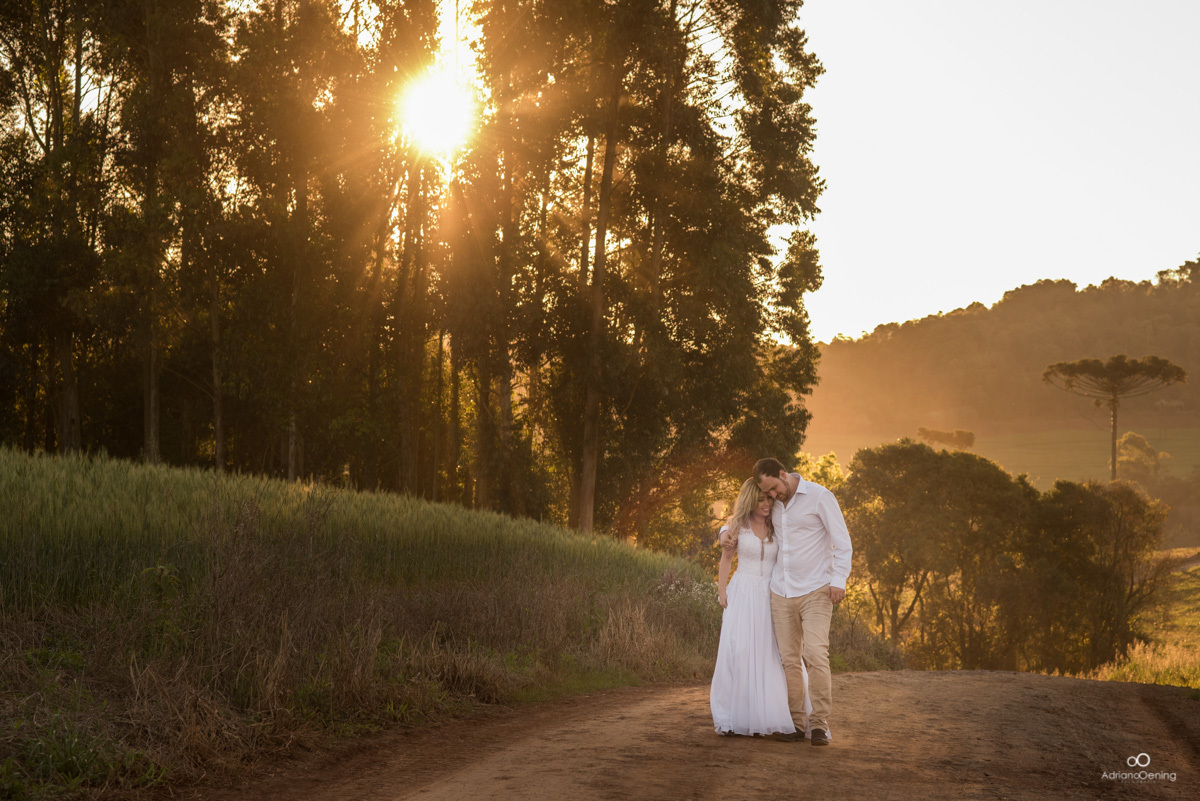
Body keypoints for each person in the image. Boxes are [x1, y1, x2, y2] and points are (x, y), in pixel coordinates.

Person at [742, 457, 853, 746]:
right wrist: (722, 534)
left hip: (816, 590)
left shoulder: (820, 497)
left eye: (775, 489)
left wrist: (839, 580)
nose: (773, 496)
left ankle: (818, 724)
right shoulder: (773, 503)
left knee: (816, 655)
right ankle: (794, 724)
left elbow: (842, 541)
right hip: (780, 592)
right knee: (789, 661)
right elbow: (742, 519)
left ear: (783, 474)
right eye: (768, 493)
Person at [710, 478, 812, 738]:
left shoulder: (777, 522)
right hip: (742, 592)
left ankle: (780, 715)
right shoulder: (737, 526)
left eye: (769, 498)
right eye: (761, 500)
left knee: (774, 652)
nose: (767, 504)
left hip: (772, 593)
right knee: (740, 650)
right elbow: (726, 558)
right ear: (749, 501)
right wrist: (722, 591)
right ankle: (735, 717)